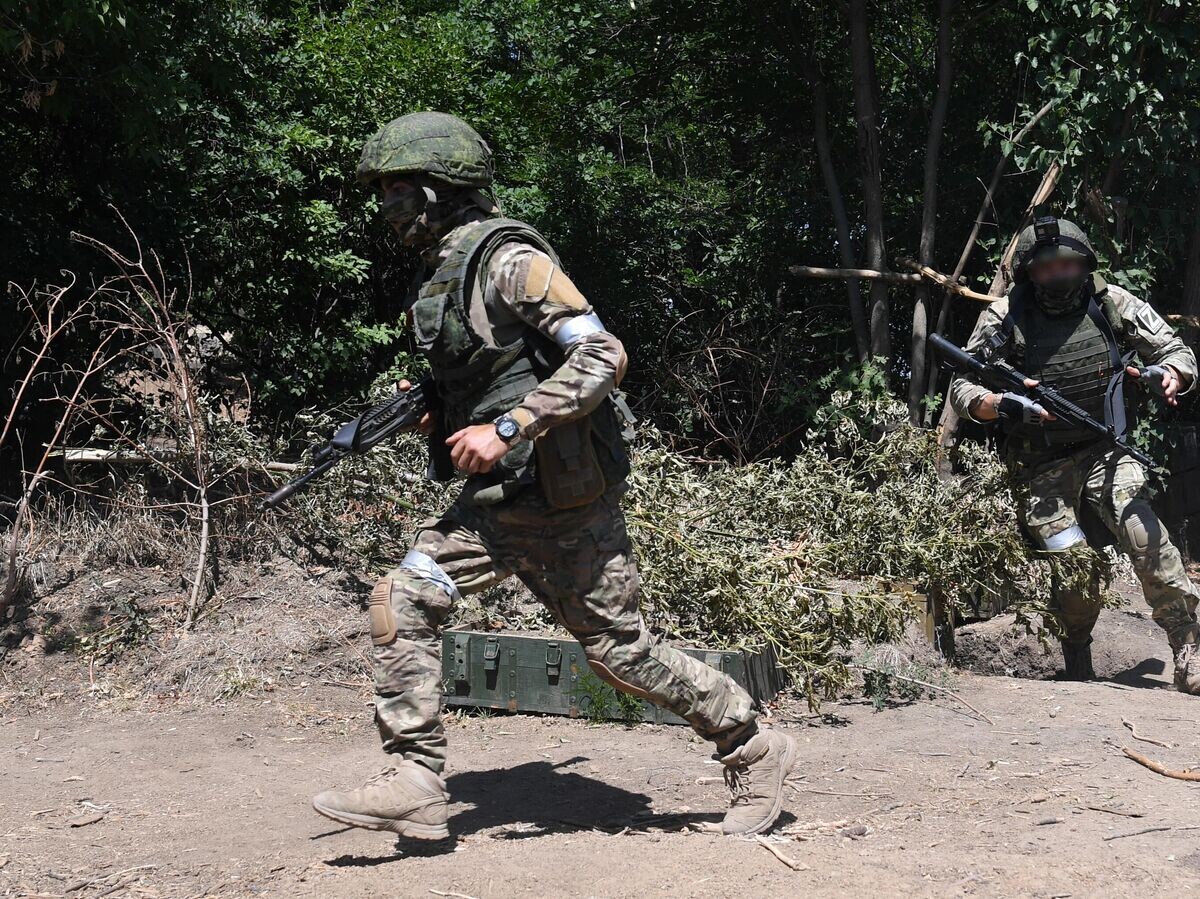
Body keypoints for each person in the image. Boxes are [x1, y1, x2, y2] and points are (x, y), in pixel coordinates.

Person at [311, 111, 796, 839]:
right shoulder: (445, 273)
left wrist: (508, 427)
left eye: (400, 192)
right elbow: (496, 372)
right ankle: (416, 776)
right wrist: (445, 416)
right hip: (500, 508)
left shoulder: (509, 260)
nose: (387, 210)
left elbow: (602, 354)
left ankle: (753, 744)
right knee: (400, 597)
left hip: (568, 502)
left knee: (621, 656)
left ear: (442, 193)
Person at [949, 216, 1200, 689]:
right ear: (1029, 274)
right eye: (1046, 269)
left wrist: (1173, 374)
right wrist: (998, 405)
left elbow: (1175, 349)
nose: (1058, 275)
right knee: (1074, 565)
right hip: (1040, 463)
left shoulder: (1111, 302)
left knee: (1143, 534)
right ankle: (1077, 650)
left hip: (1106, 449)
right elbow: (963, 384)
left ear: (1084, 264)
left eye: (1067, 264)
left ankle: (1188, 647)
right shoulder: (1005, 316)